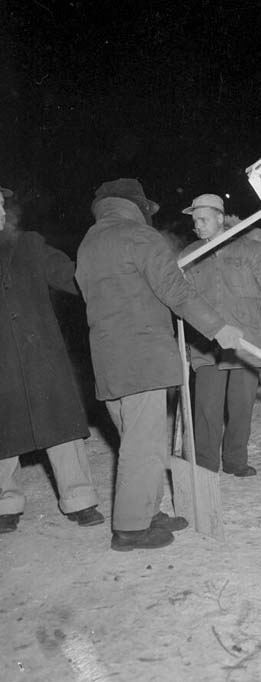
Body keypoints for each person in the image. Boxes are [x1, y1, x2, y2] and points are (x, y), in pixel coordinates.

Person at [75, 179, 244, 551]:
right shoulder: (140, 237)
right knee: (143, 443)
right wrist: (218, 327)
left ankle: (147, 511)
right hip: (143, 357)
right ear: (136, 207)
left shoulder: (89, 243)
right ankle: (132, 528)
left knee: (138, 441)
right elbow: (175, 292)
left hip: (107, 359)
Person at [178, 194, 261, 477]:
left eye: (202, 220)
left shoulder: (251, 251)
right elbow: (176, 294)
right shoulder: (188, 256)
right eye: (194, 222)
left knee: (240, 408)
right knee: (206, 410)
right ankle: (205, 467)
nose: (197, 226)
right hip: (207, 343)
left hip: (245, 342)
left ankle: (236, 461)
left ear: (219, 218)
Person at [0, 185, 104, 533]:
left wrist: (114, 276)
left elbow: (71, 275)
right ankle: (5, 504)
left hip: (40, 354)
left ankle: (80, 499)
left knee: (60, 425)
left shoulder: (28, 244)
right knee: (2, 430)